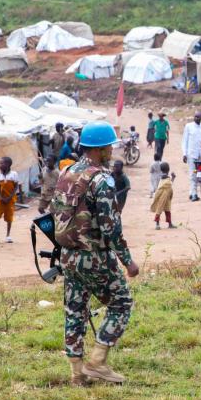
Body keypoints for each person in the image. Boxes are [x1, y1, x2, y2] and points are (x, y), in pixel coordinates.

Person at [51, 122, 137, 386]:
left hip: (67, 256)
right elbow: (111, 226)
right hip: (94, 255)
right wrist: (128, 261)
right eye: (109, 146)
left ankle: (77, 374)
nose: (112, 150)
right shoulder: (101, 179)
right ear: (99, 149)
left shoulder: (66, 173)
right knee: (121, 302)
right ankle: (98, 362)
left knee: (74, 310)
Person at [0, 156, 25, 244]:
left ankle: (8, 235)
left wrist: (10, 197)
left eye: (2, 163)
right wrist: (0, 196)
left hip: (10, 199)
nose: (0, 165)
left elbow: (16, 186)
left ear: (8, 164)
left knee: (9, 217)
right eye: (0, 163)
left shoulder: (14, 174)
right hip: (1, 199)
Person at [182, 111, 201, 201]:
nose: (196, 118)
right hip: (191, 154)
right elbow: (184, 140)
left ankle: (194, 192)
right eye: (195, 116)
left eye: (198, 117)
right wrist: (184, 153)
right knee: (193, 174)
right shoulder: (188, 126)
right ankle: (194, 195)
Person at [151, 163, 175, 229]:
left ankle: (160, 224)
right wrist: (173, 177)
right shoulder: (166, 177)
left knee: (163, 209)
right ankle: (159, 224)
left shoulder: (162, 176)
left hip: (164, 195)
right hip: (163, 195)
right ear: (168, 169)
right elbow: (170, 184)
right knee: (163, 210)